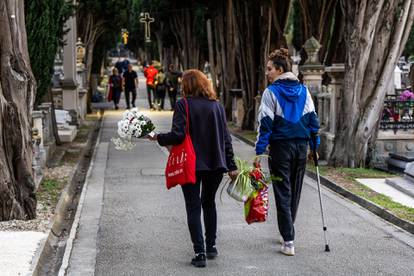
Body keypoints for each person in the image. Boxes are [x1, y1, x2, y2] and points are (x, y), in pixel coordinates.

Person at [148, 69, 238, 268]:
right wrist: (231, 165)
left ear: (187, 85)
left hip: (192, 164)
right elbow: (226, 139)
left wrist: (158, 137)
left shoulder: (183, 105)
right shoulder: (217, 106)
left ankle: (199, 252)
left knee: (193, 206)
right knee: (209, 203)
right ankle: (211, 245)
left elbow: (178, 135)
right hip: (216, 164)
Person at [255, 48, 320, 256]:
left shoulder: (270, 92)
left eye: (269, 69)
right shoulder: (304, 91)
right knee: (295, 190)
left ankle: (289, 240)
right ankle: (287, 231)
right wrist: (315, 146)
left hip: (280, 149)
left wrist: (259, 152)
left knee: (283, 192)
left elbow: (265, 124)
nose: (267, 73)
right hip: (301, 147)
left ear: (280, 69)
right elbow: (313, 121)